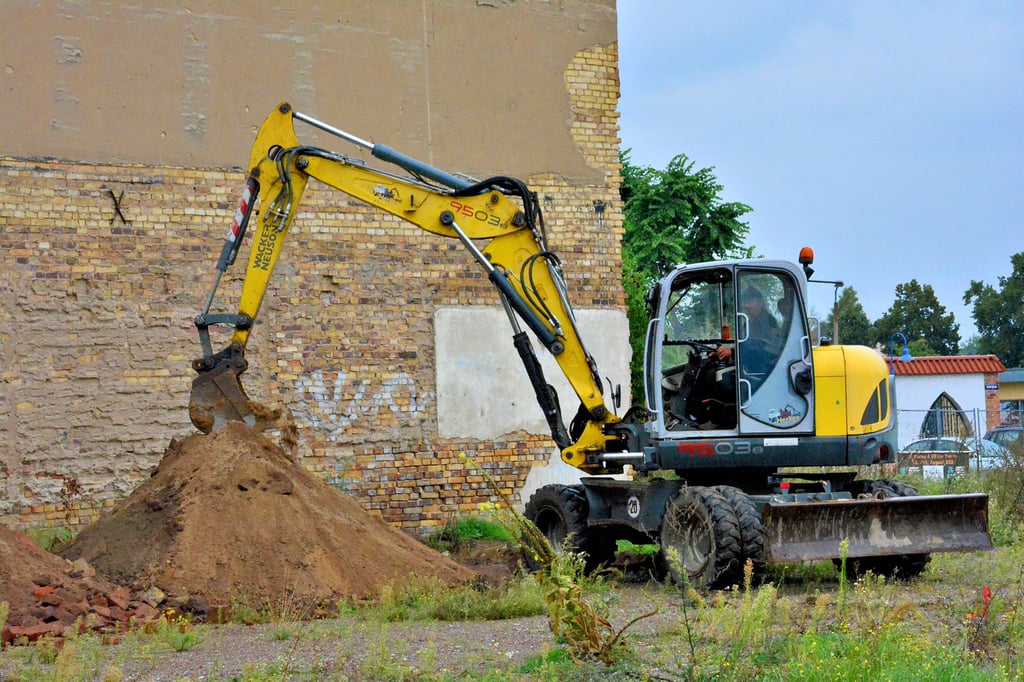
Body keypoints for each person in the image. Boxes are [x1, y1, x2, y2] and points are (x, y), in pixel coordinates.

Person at [716, 286, 779, 364]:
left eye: (749, 301)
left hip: (763, 366)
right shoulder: (748, 322)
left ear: (760, 302)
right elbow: (744, 344)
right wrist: (722, 353)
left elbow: (763, 348)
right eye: (744, 301)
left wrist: (732, 352)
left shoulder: (768, 321)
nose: (746, 306)